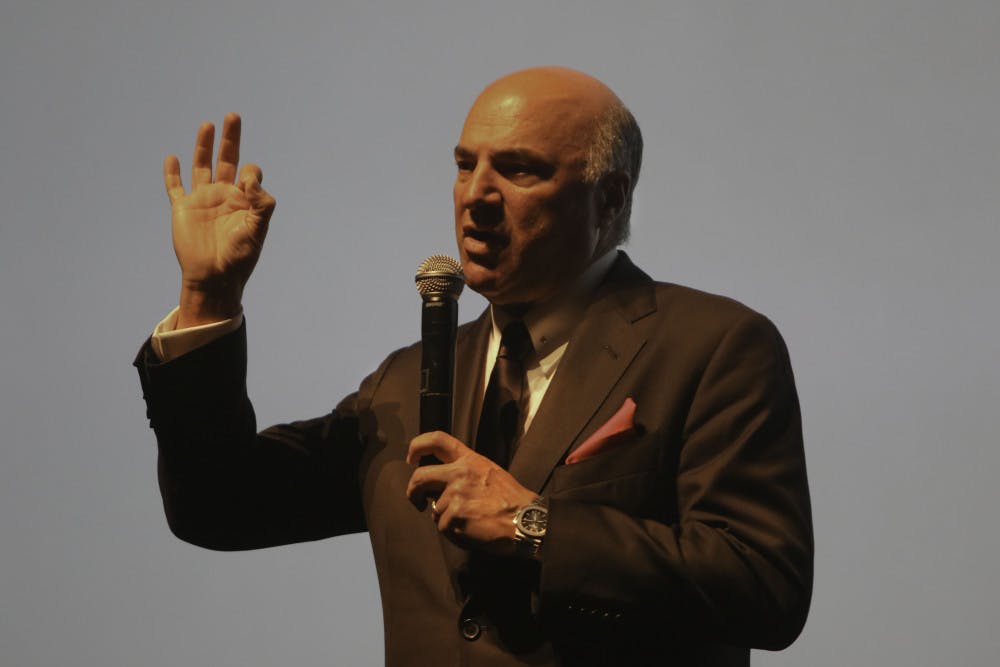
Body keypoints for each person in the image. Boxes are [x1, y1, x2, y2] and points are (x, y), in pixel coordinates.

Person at [135, 67, 813, 666]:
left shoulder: (714, 346)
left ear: (608, 198)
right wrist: (208, 297)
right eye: (465, 165)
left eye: (519, 169)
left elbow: (764, 586)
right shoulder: (405, 382)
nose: (476, 196)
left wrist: (536, 525)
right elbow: (219, 505)